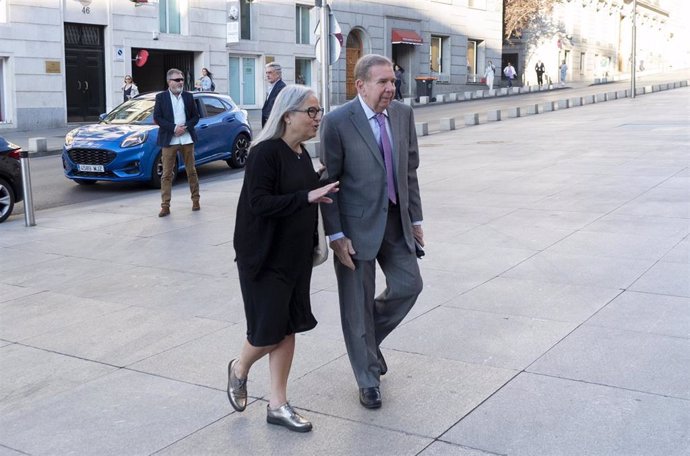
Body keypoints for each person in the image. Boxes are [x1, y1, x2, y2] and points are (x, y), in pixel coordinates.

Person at [227, 85, 339, 432]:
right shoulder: (265, 153)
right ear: (287, 115)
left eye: (319, 112)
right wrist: (307, 195)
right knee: (267, 333)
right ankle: (239, 369)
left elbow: (300, 193)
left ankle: (278, 404)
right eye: (311, 111)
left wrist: (318, 182)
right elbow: (259, 204)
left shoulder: (301, 154)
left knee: (288, 328)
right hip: (264, 258)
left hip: (295, 258)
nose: (317, 118)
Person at [319, 54, 424, 410]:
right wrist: (336, 236)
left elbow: (409, 171)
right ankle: (367, 380)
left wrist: (416, 219)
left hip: (396, 220)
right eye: (383, 82)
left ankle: (366, 343)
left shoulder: (403, 114)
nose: (391, 88)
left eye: (393, 81)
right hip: (354, 228)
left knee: (410, 285)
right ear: (360, 85)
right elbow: (328, 183)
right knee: (356, 305)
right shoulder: (336, 122)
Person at [153, 68, 201, 217]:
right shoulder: (161, 97)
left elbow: (196, 117)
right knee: (166, 174)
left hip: (187, 139)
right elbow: (158, 118)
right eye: (177, 80)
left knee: (191, 171)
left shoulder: (188, 96)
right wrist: (174, 128)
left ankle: (195, 200)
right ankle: (165, 206)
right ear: (169, 82)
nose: (181, 82)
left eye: (182, 79)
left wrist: (185, 127)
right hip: (169, 139)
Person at [261, 62, 286, 127]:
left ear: (278, 74)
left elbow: (278, 109)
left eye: (270, 72)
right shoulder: (273, 86)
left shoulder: (281, 88)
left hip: (274, 126)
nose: (267, 75)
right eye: (266, 73)